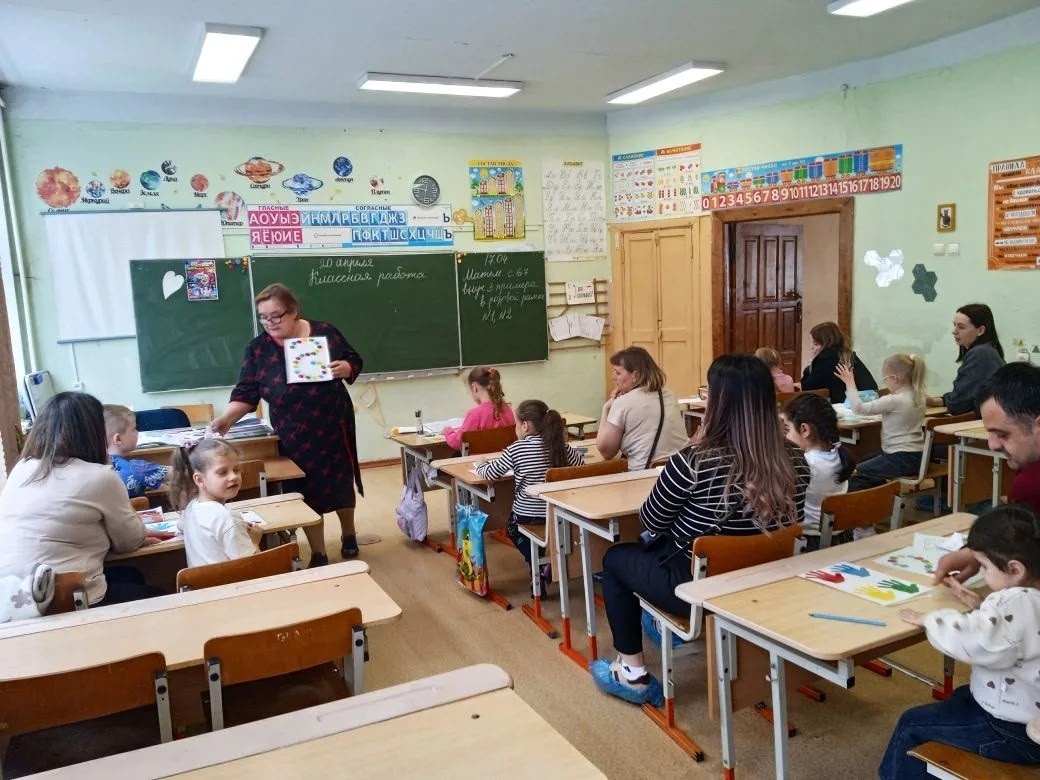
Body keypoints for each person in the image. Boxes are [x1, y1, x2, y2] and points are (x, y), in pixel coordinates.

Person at [590, 354, 811, 705]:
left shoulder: (693, 461)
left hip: (698, 587)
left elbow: (651, 521)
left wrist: (692, 448)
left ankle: (632, 672)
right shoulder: (797, 459)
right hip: (766, 581)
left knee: (616, 558)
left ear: (718, 403)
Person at [879, 504, 1040, 777]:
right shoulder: (1029, 597)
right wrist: (983, 608)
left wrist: (930, 619)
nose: (982, 574)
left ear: (1015, 568)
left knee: (911, 724)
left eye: (985, 566)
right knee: (960, 698)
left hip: (1014, 732)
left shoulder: (1015, 602)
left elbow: (971, 641)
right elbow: (1018, 635)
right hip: (1027, 715)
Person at [211, 283, 364, 568]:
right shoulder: (257, 349)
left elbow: (354, 360)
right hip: (293, 432)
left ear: (293, 312)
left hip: (334, 424)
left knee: (340, 484)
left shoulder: (325, 332)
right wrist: (226, 419)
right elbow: (246, 392)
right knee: (305, 490)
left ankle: (349, 533)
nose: (269, 323)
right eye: (263, 317)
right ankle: (318, 552)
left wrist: (346, 368)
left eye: (276, 316)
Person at [0, 392, 168, 606]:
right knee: (160, 595)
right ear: (93, 432)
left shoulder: (23, 468)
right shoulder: (100, 476)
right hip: (60, 596)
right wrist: (135, 532)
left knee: (130, 575)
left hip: (11, 595)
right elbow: (129, 541)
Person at [934, 363, 1040, 584]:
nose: (992, 445)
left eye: (1002, 434)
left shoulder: (1031, 483)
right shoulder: (1029, 467)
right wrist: (979, 553)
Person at [475, 400, 584, 597]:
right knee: (536, 531)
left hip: (527, 516)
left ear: (525, 425)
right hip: (558, 515)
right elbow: (580, 466)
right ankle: (545, 565)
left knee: (510, 528)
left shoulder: (517, 449)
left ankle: (537, 564)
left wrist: (481, 464)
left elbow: (490, 473)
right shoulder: (560, 447)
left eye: (516, 423)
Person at [836, 353, 926, 492]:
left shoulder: (894, 400)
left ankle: (874, 497)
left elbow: (859, 408)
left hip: (899, 458)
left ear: (894, 378)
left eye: (885, 379)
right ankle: (882, 492)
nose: (885, 383)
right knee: (865, 460)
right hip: (918, 457)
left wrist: (850, 383)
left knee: (857, 470)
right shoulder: (919, 396)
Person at [170, 439, 262, 568]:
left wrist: (234, 530)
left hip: (200, 581)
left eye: (236, 470)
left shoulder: (191, 507)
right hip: (233, 581)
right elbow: (253, 566)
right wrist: (254, 541)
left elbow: (181, 526)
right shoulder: (228, 518)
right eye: (222, 472)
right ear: (199, 480)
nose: (233, 477)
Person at [782, 393, 856, 551]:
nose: (786, 436)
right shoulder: (840, 455)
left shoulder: (806, 465)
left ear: (804, 429)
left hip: (811, 543)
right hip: (842, 537)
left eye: (787, 429)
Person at [596, 347, 688, 471]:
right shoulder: (670, 395)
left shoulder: (623, 402)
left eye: (618, 373)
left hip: (644, 474)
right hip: (679, 470)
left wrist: (606, 409)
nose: (613, 377)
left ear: (635, 375)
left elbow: (606, 451)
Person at [926, 303, 1005, 414]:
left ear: (980, 331)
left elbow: (957, 404)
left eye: (961, 327)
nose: (954, 331)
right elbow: (963, 395)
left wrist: (944, 401)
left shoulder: (980, 354)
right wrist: (938, 401)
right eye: (954, 325)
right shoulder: (987, 350)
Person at [441, 366, 516, 451]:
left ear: (474, 387)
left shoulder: (474, 415)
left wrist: (448, 431)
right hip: (504, 458)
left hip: (479, 459)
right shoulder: (507, 409)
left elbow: (456, 443)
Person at [800, 321, 877, 404]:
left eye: (816, 344)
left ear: (826, 343)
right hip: (869, 403)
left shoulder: (825, 359)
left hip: (846, 407)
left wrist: (810, 364)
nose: (812, 347)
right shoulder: (848, 355)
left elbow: (807, 389)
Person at [103, 404, 170, 498]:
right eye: (134, 429)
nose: (138, 432)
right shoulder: (138, 468)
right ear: (118, 439)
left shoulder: (93, 466)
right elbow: (180, 472)